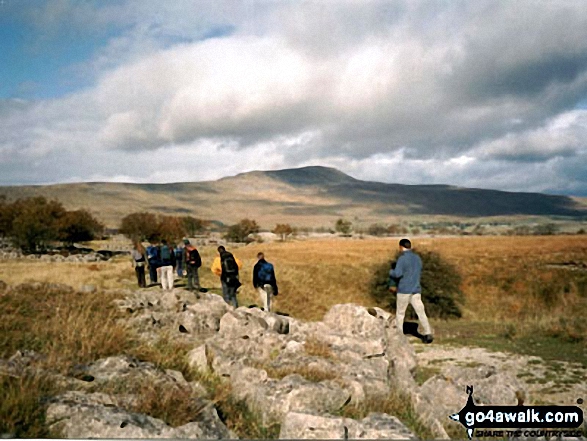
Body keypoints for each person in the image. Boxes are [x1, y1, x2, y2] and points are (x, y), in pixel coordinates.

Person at [389, 238, 433, 344]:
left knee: (400, 313)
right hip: (416, 289)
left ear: (401, 246)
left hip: (404, 289)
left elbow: (398, 274)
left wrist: (391, 272)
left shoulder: (402, 259)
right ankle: (428, 332)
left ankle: (399, 335)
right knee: (421, 312)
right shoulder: (417, 258)